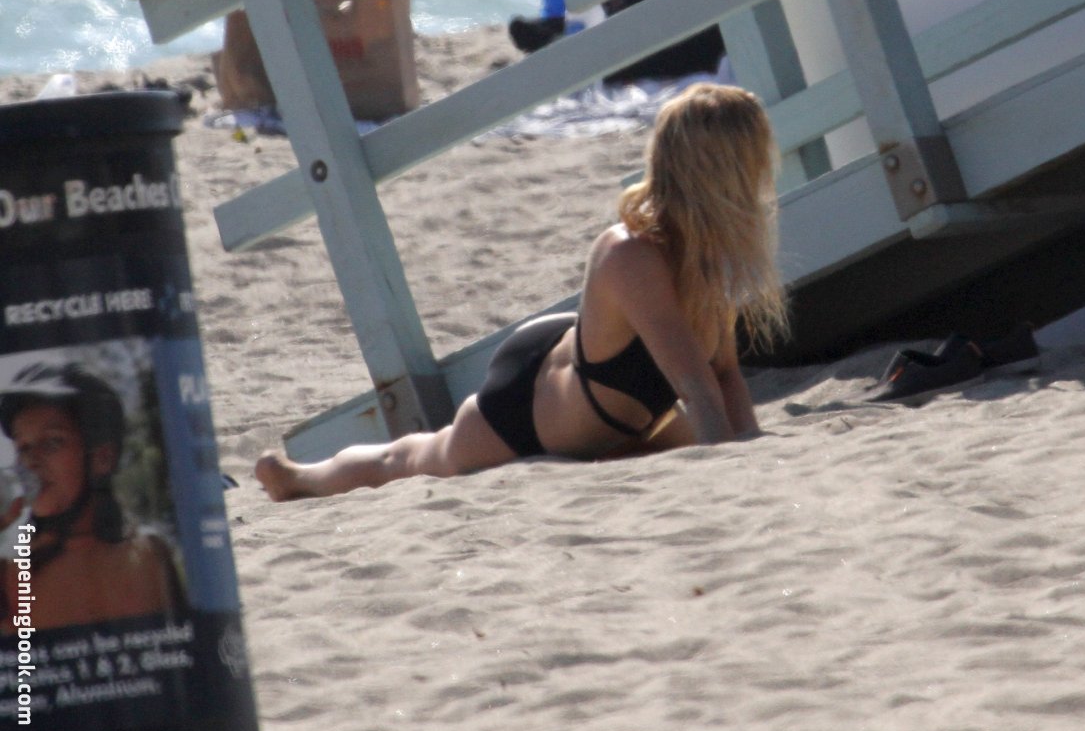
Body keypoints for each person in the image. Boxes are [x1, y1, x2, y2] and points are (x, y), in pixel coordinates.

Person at [256, 82, 788, 501]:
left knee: (692, 438)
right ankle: (301, 478)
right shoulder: (632, 254)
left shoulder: (704, 258)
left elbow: (725, 375)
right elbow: (697, 387)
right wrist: (732, 477)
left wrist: (750, 452)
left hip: (619, 411)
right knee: (414, 460)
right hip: (530, 407)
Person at [1, 362, 185, 629]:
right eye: (23, 448)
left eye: (52, 442)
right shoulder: (13, 570)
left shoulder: (149, 555)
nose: (29, 462)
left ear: (102, 458)